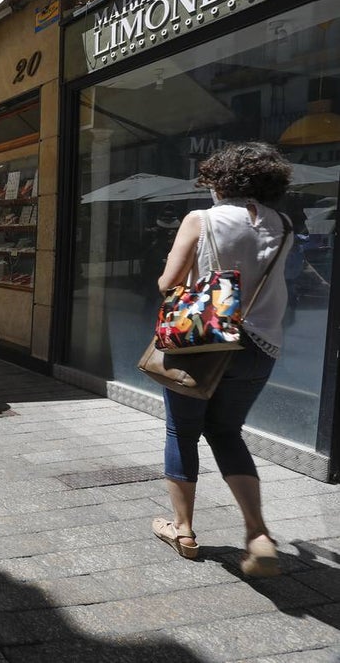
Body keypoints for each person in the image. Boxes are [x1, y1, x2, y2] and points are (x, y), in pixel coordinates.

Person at [151, 141, 293, 578]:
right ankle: (258, 533)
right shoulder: (284, 224)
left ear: (221, 180)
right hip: (260, 345)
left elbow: (168, 283)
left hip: (204, 340)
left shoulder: (202, 219)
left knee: (183, 431)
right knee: (228, 432)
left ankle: (185, 530)